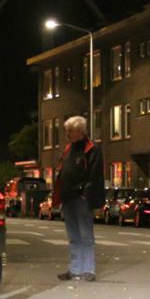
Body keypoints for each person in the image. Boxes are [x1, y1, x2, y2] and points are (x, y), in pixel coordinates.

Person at [53, 115, 105, 282]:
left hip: (80, 198)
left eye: (70, 131)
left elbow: (94, 174)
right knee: (74, 235)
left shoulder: (91, 150)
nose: (67, 134)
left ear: (80, 131)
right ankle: (75, 269)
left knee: (85, 235)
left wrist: (85, 196)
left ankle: (87, 269)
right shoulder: (70, 149)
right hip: (68, 197)